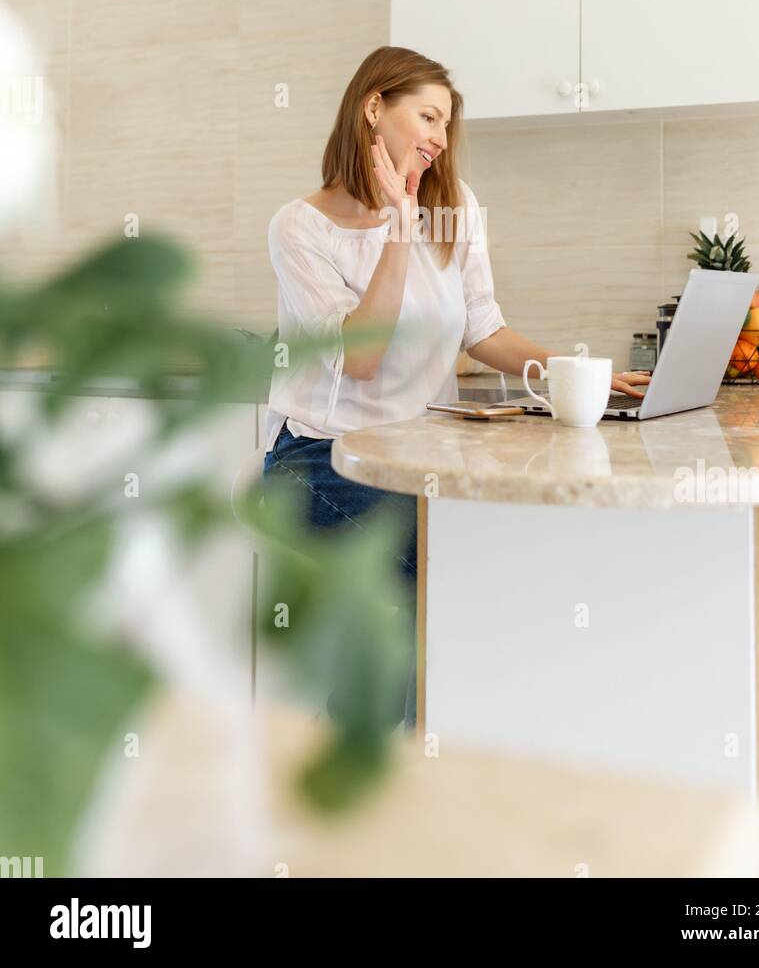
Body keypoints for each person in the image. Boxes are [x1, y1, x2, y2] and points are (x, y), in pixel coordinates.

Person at [261, 45, 649, 728]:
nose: (441, 139)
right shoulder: (301, 227)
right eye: (429, 116)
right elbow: (360, 359)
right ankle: (365, 769)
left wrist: (580, 371)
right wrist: (399, 231)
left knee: (466, 559)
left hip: (412, 462)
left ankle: (405, 761)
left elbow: (484, 331)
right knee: (434, 569)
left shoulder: (456, 205)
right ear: (373, 108)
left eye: (448, 124)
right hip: (316, 461)